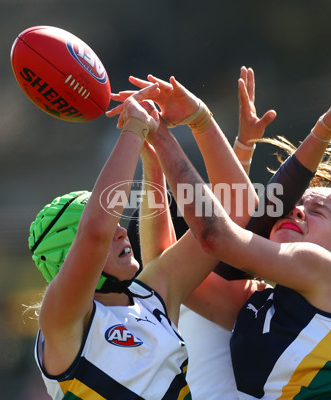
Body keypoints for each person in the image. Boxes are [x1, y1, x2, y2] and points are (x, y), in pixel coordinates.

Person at [142, 56, 331, 399]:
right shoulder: (255, 309)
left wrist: (185, 128)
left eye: (317, 212)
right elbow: (162, 276)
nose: (296, 212)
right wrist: (152, 160)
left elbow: (219, 235)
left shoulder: (326, 272)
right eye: (296, 205)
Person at [125, 66, 276, 399]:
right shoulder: (237, 300)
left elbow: (222, 227)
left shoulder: (250, 302)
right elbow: (227, 225)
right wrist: (231, 143)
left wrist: (158, 157)